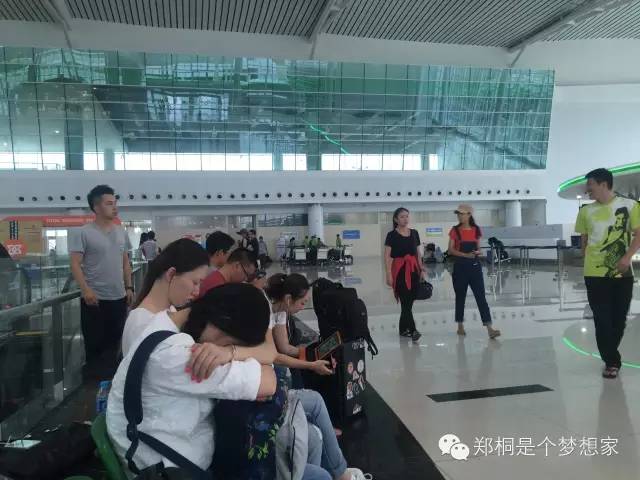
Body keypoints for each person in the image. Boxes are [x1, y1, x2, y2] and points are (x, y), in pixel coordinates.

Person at [106, 284, 278, 474]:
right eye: (231, 343)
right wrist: (236, 353)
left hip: (167, 453)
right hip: (169, 470)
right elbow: (269, 382)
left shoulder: (166, 322)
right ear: (222, 324)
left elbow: (269, 353)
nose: (221, 350)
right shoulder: (187, 357)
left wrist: (230, 352)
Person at [575, 168, 640, 379]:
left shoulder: (630, 206)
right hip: (594, 273)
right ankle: (612, 361)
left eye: (590, 185)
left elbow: (638, 234)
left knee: (619, 319)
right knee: (602, 319)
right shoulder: (586, 211)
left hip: (622, 272)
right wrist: (585, 254)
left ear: (603, 184)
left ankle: (610, 355)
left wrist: (627, 257)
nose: (587, 190)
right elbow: (584, 238)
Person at [69, 185, 133, 376]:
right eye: (109, 203)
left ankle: (114, 381)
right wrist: (85, 290)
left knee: (116, 342)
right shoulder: (83, 233)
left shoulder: (121, 232)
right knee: (95, 344)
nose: (115, 207)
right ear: (96, 207)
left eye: (115, 203)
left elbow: (126, 262)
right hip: (94, 299)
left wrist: (129, 287)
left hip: (118, 297)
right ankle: (94, 384)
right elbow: (75, 264)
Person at [122, 238, 210, 356]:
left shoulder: (168, 311)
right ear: (171, 274)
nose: (197, 292)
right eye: (195, 282)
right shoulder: (144, 323)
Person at [448, 204, 501, 339]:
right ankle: (460, 325)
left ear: (469, 215)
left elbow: (479, 248)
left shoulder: (476, 230)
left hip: (475, 267)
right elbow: (450, 250)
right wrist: (465, 255)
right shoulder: (455, 230)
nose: (459, 216)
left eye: (462, 213)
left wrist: (478, 252)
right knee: (460, 297)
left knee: (481, 297)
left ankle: (489, 328)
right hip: (460, 268)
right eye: (458, 214)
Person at [384, 207, 424, 341]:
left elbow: (418, 253)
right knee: (405, 300)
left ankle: (402, 329)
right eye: (402, 216)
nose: (405, 219)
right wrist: (388, 274)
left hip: (413, 270)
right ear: (396, 219)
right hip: (399, 271)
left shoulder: (414, 233)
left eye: (407, 216)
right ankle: (413, 330)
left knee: (408, 302)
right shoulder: (391, 235)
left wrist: (421, 269)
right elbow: (387, 256)